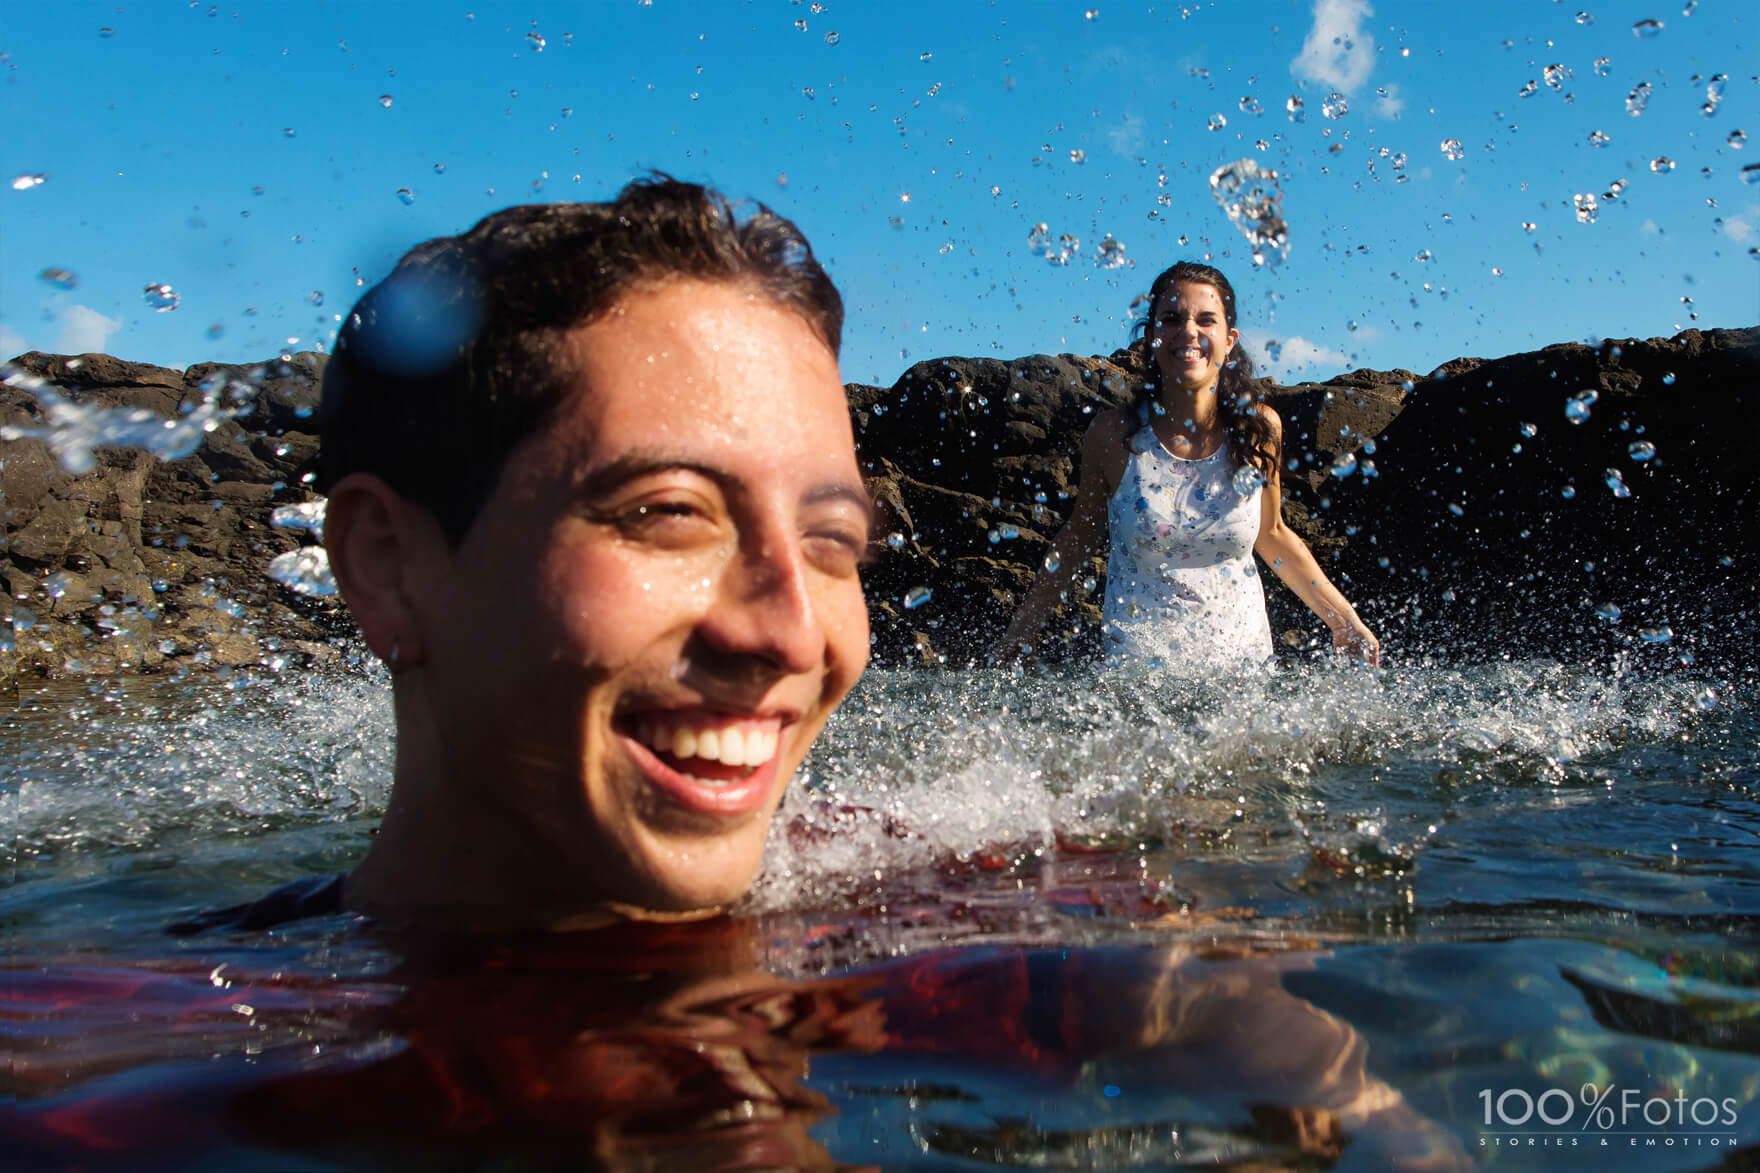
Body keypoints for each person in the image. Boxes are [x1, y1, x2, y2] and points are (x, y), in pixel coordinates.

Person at [182, 175, 873, 933]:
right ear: (387, 564)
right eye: (671, 512)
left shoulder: (948, 949)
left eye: (832, 540)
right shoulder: (163, 1032)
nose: (795, 635)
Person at [997, 260, 1378, 668]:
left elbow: (1272, 535)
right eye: (1172, 319)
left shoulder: (1259, 430)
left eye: (1206, 320)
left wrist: (1345, 623)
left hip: (1243, 678)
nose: (1189, 332)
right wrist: (1022, 630)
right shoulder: (1114, 436)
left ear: (1229, 339)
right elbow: (1078, 537)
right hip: (1138, 684)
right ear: (1152, 336)